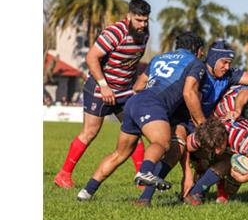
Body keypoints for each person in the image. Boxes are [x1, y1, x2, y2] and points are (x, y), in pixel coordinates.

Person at [134, 41, 248, 206]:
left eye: (229, 63)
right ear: (212, 59)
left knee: (226, 157)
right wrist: (186, 173)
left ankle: (196, 193)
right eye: (224, 62)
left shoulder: (228, 74)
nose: (227, 67)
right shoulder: (198, 72)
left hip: (207, 125)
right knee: (175, 152)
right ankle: (145, 198)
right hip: (184, 120)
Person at [76, 32, 206, 201]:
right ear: (198, 50)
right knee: (161, 143)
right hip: (153, 104)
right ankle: (145, 171)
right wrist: (201, 122)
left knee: (120, 154)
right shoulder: (195, 63)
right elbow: (189, 92)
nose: (203, 54)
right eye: (202, 51)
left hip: (134, 102)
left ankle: (86, 192)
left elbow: (138, 85)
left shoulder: (159, 58)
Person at [54, 0, 151, 189]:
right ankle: (63, 175)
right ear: (129, 16)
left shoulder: (144, 35)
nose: (143, 24)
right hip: (99, 89)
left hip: (124, 92)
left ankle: (141, 180)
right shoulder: (114, 32)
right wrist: (103, 85)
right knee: (90, 132)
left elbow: (131, 63)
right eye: (139, 20)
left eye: (146, 20)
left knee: (134, 132)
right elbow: (91, 58)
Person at [183, 116, 248, 205]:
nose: (217, 151)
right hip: (226, 148)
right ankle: (196, 191)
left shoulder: (241, 139)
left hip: (240, 152)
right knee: (199, 155)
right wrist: (187, 174)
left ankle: (214, 186)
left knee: (230, 188)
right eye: (213, 147)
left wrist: (244, 178)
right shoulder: (202, 136)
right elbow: (185, 147)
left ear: (225, 135)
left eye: (219, 145)